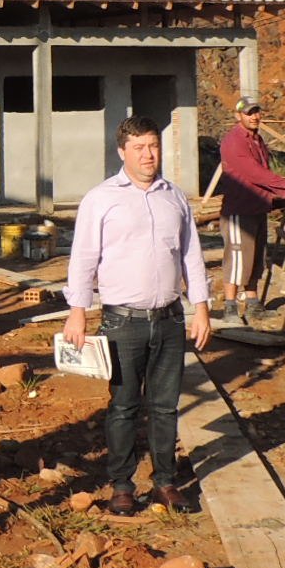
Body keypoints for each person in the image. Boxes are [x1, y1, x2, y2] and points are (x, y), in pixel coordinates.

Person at [63, 115, 213, 516]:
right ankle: (123, 487)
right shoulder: (101, 199)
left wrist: (201, 308)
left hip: (169, 319)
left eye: (153, 146)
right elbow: (83, 259)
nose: (149, 155)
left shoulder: (174, 197)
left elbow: (191, 256)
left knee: (165, 406)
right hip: (122, 322)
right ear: (122, 152)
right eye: (139, 148)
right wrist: (76, 312)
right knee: (124, 405)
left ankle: (165, 482)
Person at [218, 96, 285, 325]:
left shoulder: (257, 139)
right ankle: (230, 307)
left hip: (257, 207)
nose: (254, 116)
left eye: (257, 112)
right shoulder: (234, 141)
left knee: (255, 256)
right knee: (236, 257)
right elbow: (253, 173)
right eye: (249, 113)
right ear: (238, 116)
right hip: (238, 209)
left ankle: (252, 304)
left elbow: (262, 170)